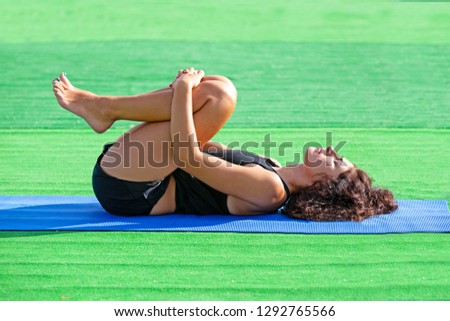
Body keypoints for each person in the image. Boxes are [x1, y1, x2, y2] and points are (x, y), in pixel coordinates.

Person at [52, 68, 398, 221]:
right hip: (143, 170)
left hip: (133, 190)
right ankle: (103, 108)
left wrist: (184, 92)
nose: (332, 151)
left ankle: (104, 108)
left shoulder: (271, 191)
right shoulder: (274, 169)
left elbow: (189, 159)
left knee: (219, 94)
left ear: (323, 185)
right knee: (216, 89)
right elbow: (205, 149)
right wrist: (187, 100)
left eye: (338, 162)